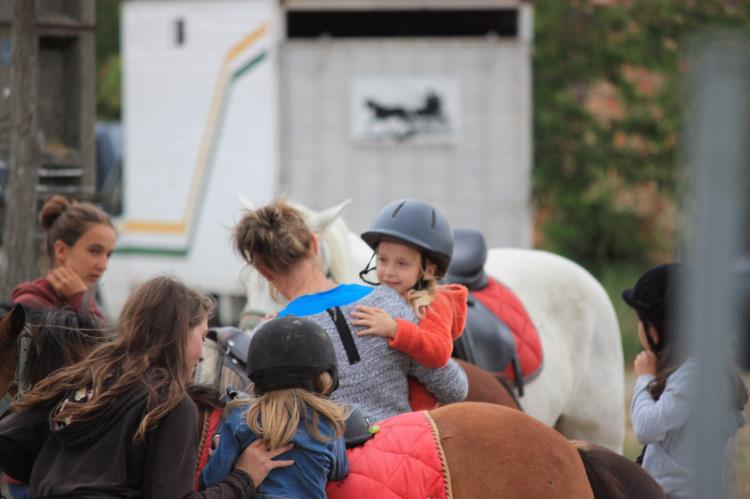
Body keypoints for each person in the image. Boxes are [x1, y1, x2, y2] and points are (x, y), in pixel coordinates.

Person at [0, 276, 292, 498]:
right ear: (178, 334)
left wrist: (53, 475)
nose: (202, 353)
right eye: (201, 336)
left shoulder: (88, 376)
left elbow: (9, 438)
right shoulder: (171, 404)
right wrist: (243, 477)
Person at [233, 200, 468, 423]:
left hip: (331, 462)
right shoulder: (387, 303)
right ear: (315, 245)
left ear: (262, 271)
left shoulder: (267, 337)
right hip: (400, 446)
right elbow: (455, 389)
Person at [624, 263, 747, 499]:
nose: (638, 328)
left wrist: (644, 376)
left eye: (641, 321)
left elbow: (647, 427)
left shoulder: (696, 373)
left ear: (656, 331)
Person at [202, 316, 348, 498]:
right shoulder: (329, 422)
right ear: (324, 377)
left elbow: (212, 480)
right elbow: (339, 471)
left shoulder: (240, 417)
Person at [351, 199, 467, 409]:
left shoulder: (434, 303)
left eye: (402, 263)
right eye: (383, 260)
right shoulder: (380, 295)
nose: (388, 271)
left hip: (418, 414)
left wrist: (395, 329)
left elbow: (439, 351)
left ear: (429, 270)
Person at [10, 195, 116, 320]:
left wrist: (80, 299)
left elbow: (103, 338)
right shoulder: (31, 305)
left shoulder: (81, 298)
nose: (103, 265)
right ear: (61, 251)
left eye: (108, 255)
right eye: (95, 251)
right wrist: (80, 301)